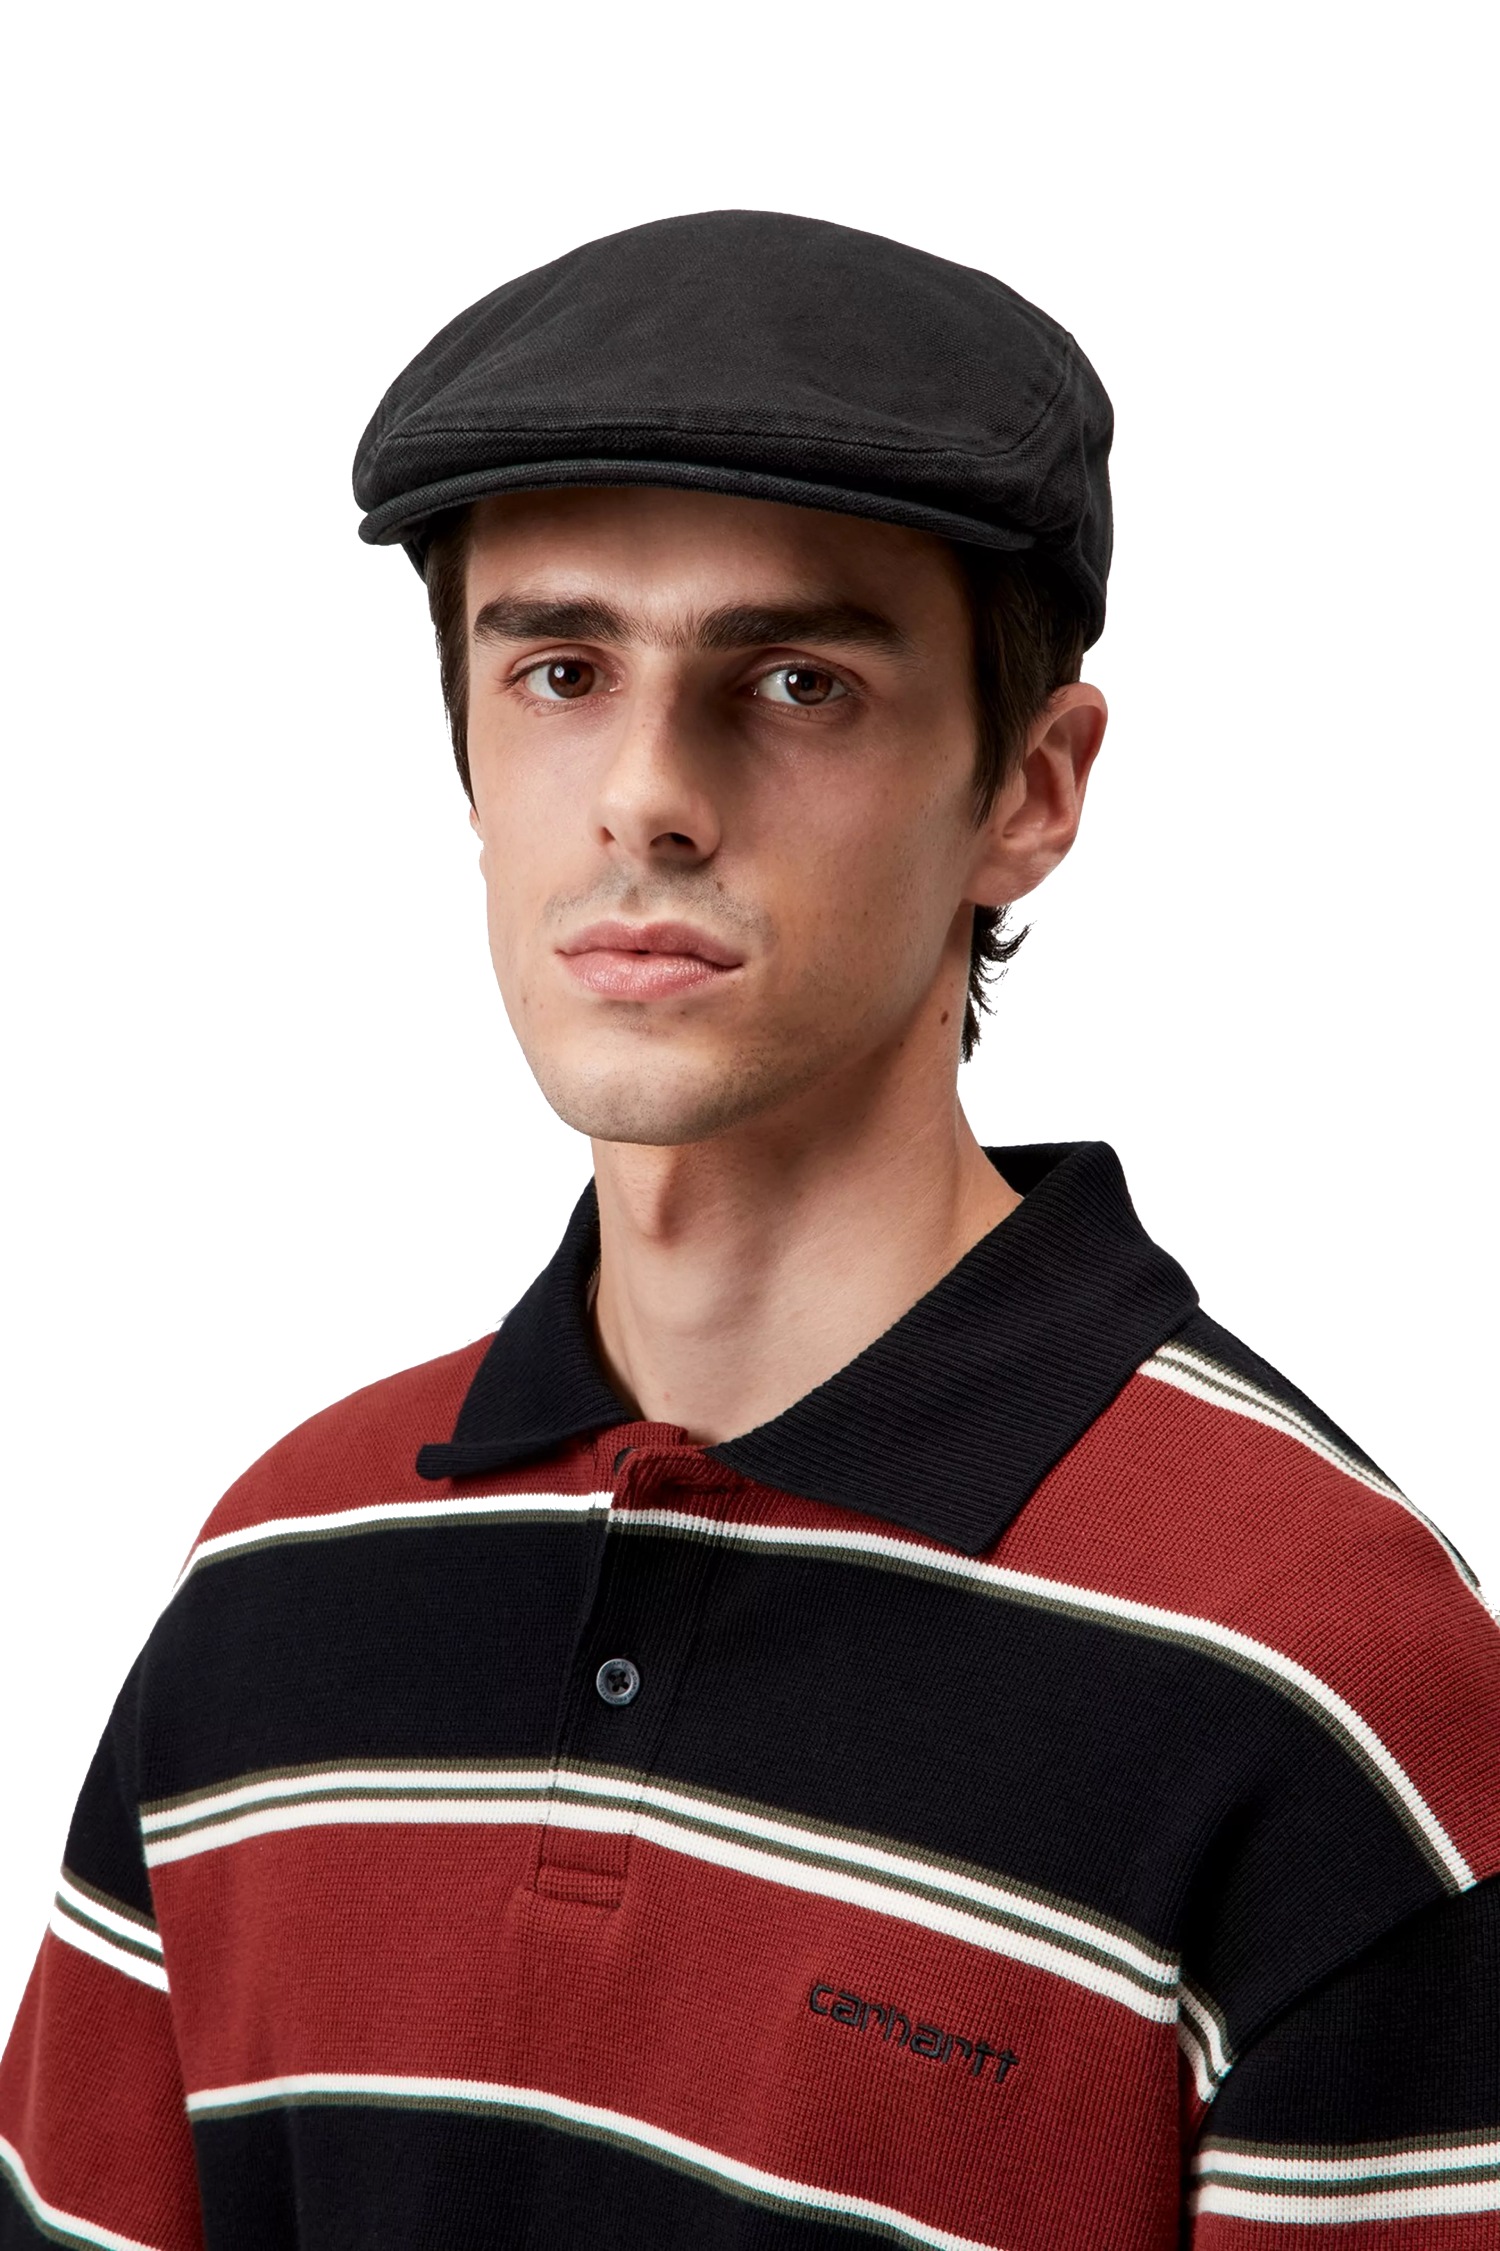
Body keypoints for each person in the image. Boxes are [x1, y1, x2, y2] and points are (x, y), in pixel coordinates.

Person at [1, 209, 1496, 2251]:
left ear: (1031, 790)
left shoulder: (1319, 1679)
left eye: (796, 680)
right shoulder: (281, 1582)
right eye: (559, 671)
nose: (646, 794)